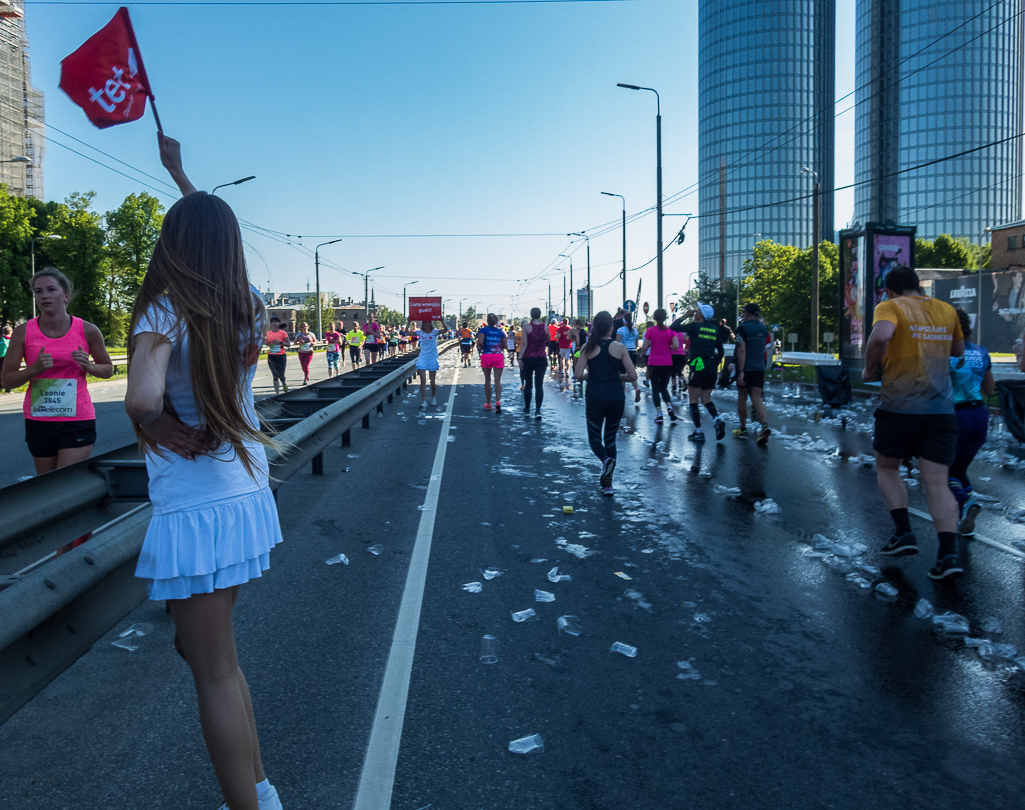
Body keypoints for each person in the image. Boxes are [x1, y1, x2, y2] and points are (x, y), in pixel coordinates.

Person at [124, 132, 284, 810]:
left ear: (172, 244)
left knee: (212, 671)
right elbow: (209, 237)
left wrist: (157, 426)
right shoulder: (245, 303)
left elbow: (138, 396)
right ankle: (259, 792)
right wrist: (181, 174)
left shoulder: (165, 308)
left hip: (194, 508)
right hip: (243, 497)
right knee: (217, 662)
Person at [862, 265, 965, 580]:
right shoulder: (946, 310)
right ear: (918, 287)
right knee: (937, 481)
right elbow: (958, 350)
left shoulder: (890, 306)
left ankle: (904, 533)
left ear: (890, 290)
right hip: (941, 409)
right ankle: (948, 554)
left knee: (887, 466)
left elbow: (880, 337)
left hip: (900, 406)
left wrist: (869, 369)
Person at [2, 267, 114, 476]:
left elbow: (107, 369)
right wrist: (34, 369)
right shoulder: (23, 332)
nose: (44, 295)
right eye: (38, 291)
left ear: (66, 296)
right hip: (39, 420)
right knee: (47, 485)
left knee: (66, 481)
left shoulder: (87, 330)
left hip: (77, 419)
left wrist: (89, 366)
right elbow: (7, 381)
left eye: (51, 289)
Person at [574, 311, 637, 495]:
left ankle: (605, 460)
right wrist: (618, 376)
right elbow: (632, 376)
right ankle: (608, 485)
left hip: (595, 397)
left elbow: (577, 375)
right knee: (610, 439)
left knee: (594, 438)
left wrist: (589, 375)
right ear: (611, 327)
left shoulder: (588, 347)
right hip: (616, 397)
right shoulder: (619, 347)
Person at [947, 308, 995, 537]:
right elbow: (989, 389)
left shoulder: (946, 352)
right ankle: (964, 519)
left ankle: (966, 503)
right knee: (960, 469)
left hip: (957, 415)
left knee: (942, 472)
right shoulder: (982, 351)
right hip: (979, 416)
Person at [672, 303, 726, 442]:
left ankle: (699, 432)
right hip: (711, 368)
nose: (695, 312)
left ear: (701, 314)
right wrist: (715, 363)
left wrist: (685, 315)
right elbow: (721, 351)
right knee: (706, 399)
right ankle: (717, 419)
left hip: (698, 366)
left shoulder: (694, 327)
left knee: (693, 399)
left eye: (697, 310)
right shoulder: (714, 329)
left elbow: (673, 328)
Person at [733, 303, 772, 445]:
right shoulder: (764, 328)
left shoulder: (742, 328)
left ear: (748, 314)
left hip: (746, 367)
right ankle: (764, 425)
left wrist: (741, 371)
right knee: (757, 398)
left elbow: (741, 348)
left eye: (744, 312)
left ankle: (743, 428)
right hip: (759, 367)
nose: (742, 315)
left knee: (742, 397)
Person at [638, 308, 679, 425]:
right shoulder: (671, 332)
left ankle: (659, 414)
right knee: (664, 388)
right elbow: (676, 345)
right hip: (667, 363)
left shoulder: (650, 331)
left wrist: (645, 349)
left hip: (653, 363)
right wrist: (668, 347)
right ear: (665, 318)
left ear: (654, 318)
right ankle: (670, 408)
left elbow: (645, 347)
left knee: (655, 389)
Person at [518, 308, 548, 419]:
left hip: (528, 358)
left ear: (531, 315)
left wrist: (520, 358)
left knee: (529, 384)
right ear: (540, 315)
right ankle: (538, 410)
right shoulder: (545, 326)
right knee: (539, 385)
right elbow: (548, 338)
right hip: (541, 358)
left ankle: (527, 408)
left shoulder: (527, 327)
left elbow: (524, 344)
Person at [477, 313, 507, 412]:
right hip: (498, 355)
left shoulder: (483, 330)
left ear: (487, 321)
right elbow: (505, 345)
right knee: (497, 380)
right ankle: (498, 401)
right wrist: (499, 346)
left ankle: (488, 403)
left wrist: (481, 347)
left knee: (487, 380)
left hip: (487, 355)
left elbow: (480, 342)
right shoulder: (500, 331)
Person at [615, 313, 642, 404]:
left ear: (623, 321)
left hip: (624, 352)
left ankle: (621, 395)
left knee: (622, 374)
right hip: (633, 352)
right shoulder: (635, 330)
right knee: (631, 372)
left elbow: (617, 342)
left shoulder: (620, 330)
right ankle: (636, 388)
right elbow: (636, 344)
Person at [415, 320, 441, 409]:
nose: (427, 324)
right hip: (422, 358)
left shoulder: (434, 332)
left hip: (432, 358)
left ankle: (433, 397)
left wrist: (442, 321)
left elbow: (445, 330)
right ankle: (424, 401)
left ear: (431, 324)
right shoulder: (420, 332)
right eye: (426, 322)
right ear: (423, 324)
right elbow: (407, 332)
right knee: (422, 380)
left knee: (432, 381)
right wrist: (408, 322)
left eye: (429, 322)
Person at [264, 317, 290, 394]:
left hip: (281, 355)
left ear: (279, 323)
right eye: (273, 322)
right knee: (275, 375)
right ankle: (277, 393)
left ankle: (284, 383)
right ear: (271, 324)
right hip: (271, 355)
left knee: (281, 373)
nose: (274, 323)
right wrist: (266, 343)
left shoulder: (283, 333)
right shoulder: (268, 333)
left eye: (276, 322)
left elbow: (288, 344)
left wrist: (280, 342)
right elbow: (265, 342)